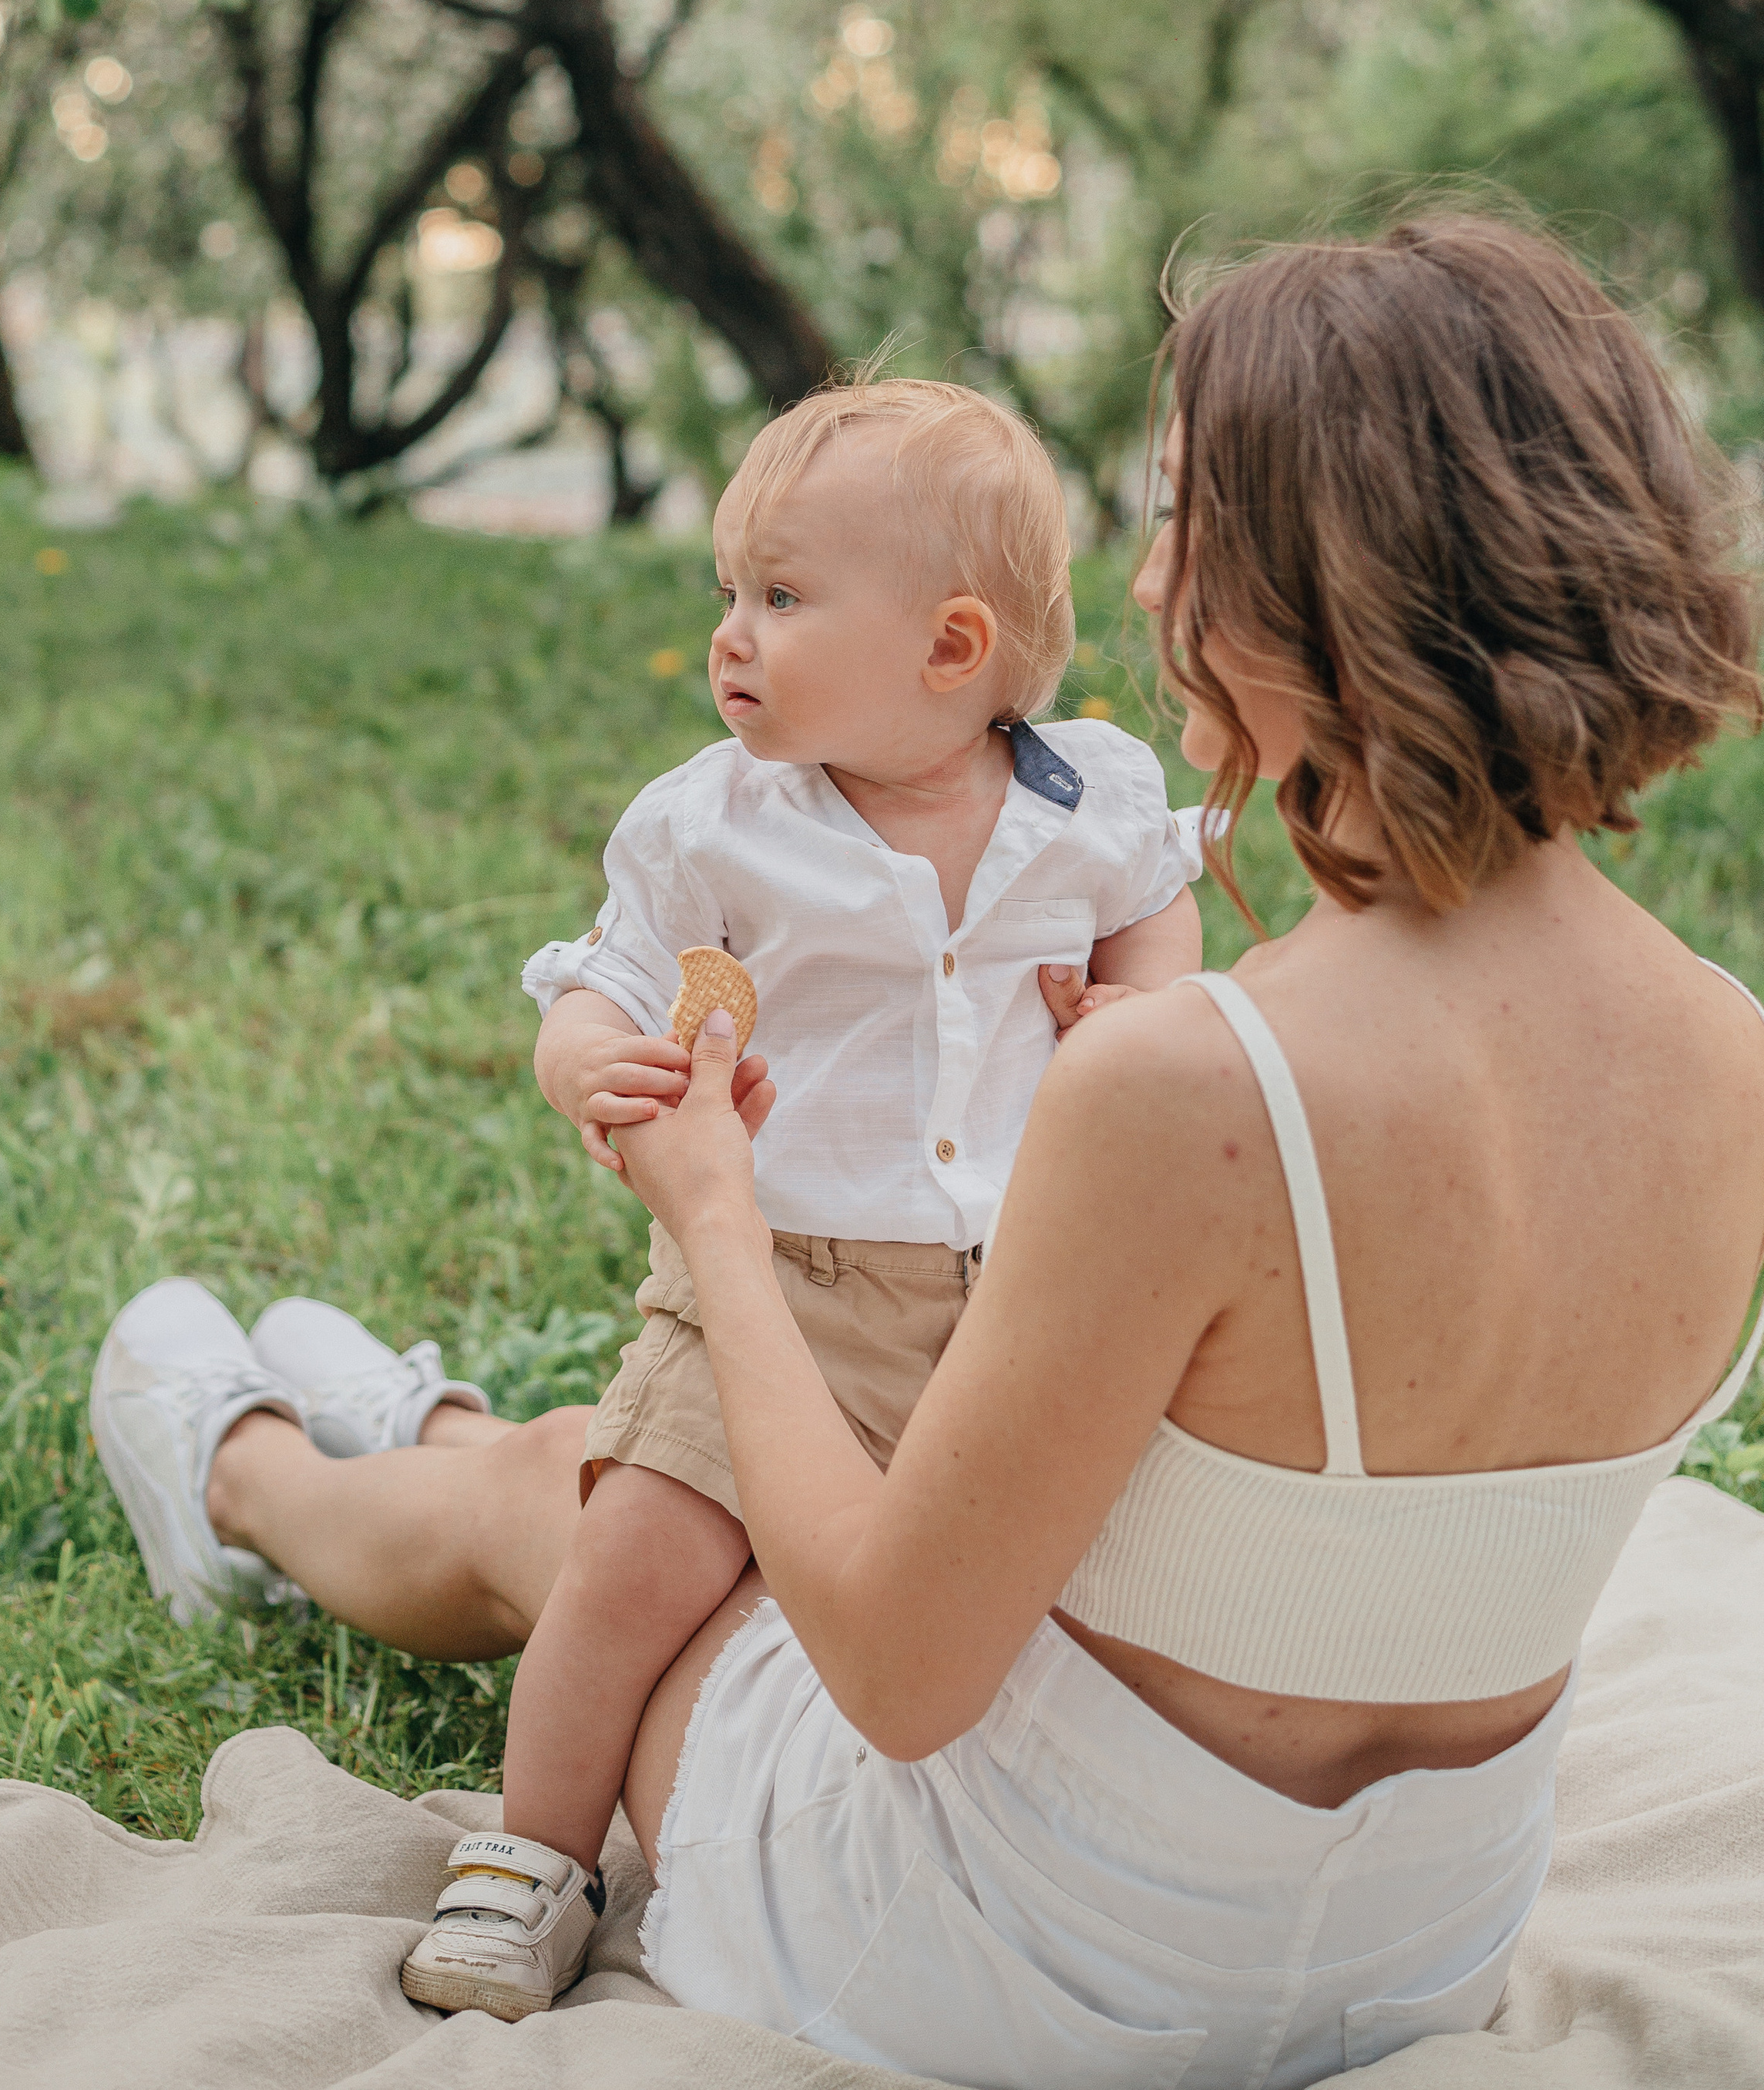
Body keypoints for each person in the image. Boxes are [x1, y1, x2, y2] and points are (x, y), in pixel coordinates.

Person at [95, 217, 1764, 2089]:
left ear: (1308, 587)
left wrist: (718, 1222)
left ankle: (235, 1466)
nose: (1135, 582)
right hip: (1411, 1955)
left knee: (587, 1500)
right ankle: (389, 1426)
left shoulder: (1197, 1085)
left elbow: (894, 1675)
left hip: (1012, 1970)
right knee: (618, 1482)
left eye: (1179, 521)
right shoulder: (1733, 1051)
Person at [95, 375, 1204, 2018]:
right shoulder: (715, 822)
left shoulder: (1085, 797)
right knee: (630, 1565)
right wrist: (584, 1070)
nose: (729, 637)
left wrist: (1144, 1007)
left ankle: (397, 1435)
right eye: (726, 593)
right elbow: (595, 985)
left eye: (778, 597)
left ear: (949, 651)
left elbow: (1154, 910)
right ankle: (529, 1859)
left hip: (1001, 1302)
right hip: (779, 1281)